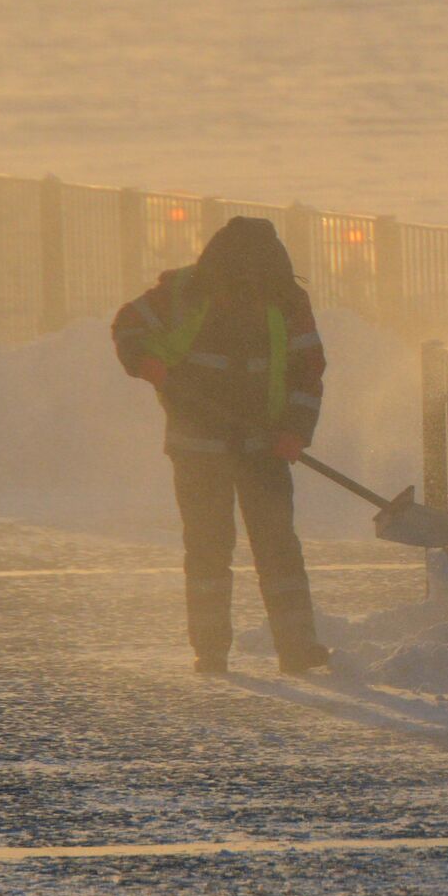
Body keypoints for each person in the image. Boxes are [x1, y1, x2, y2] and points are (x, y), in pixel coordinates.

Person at [111, 216, 332, 676]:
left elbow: (308, 371)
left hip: (264, 446)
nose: (244, 286)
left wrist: (295, 429)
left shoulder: (287, 303)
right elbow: (128, 327)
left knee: (277, 547)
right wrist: (145, 362)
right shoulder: (183, 294)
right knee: (210, 548)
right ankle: (211, 650)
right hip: (197, 446)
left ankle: (298, 647)